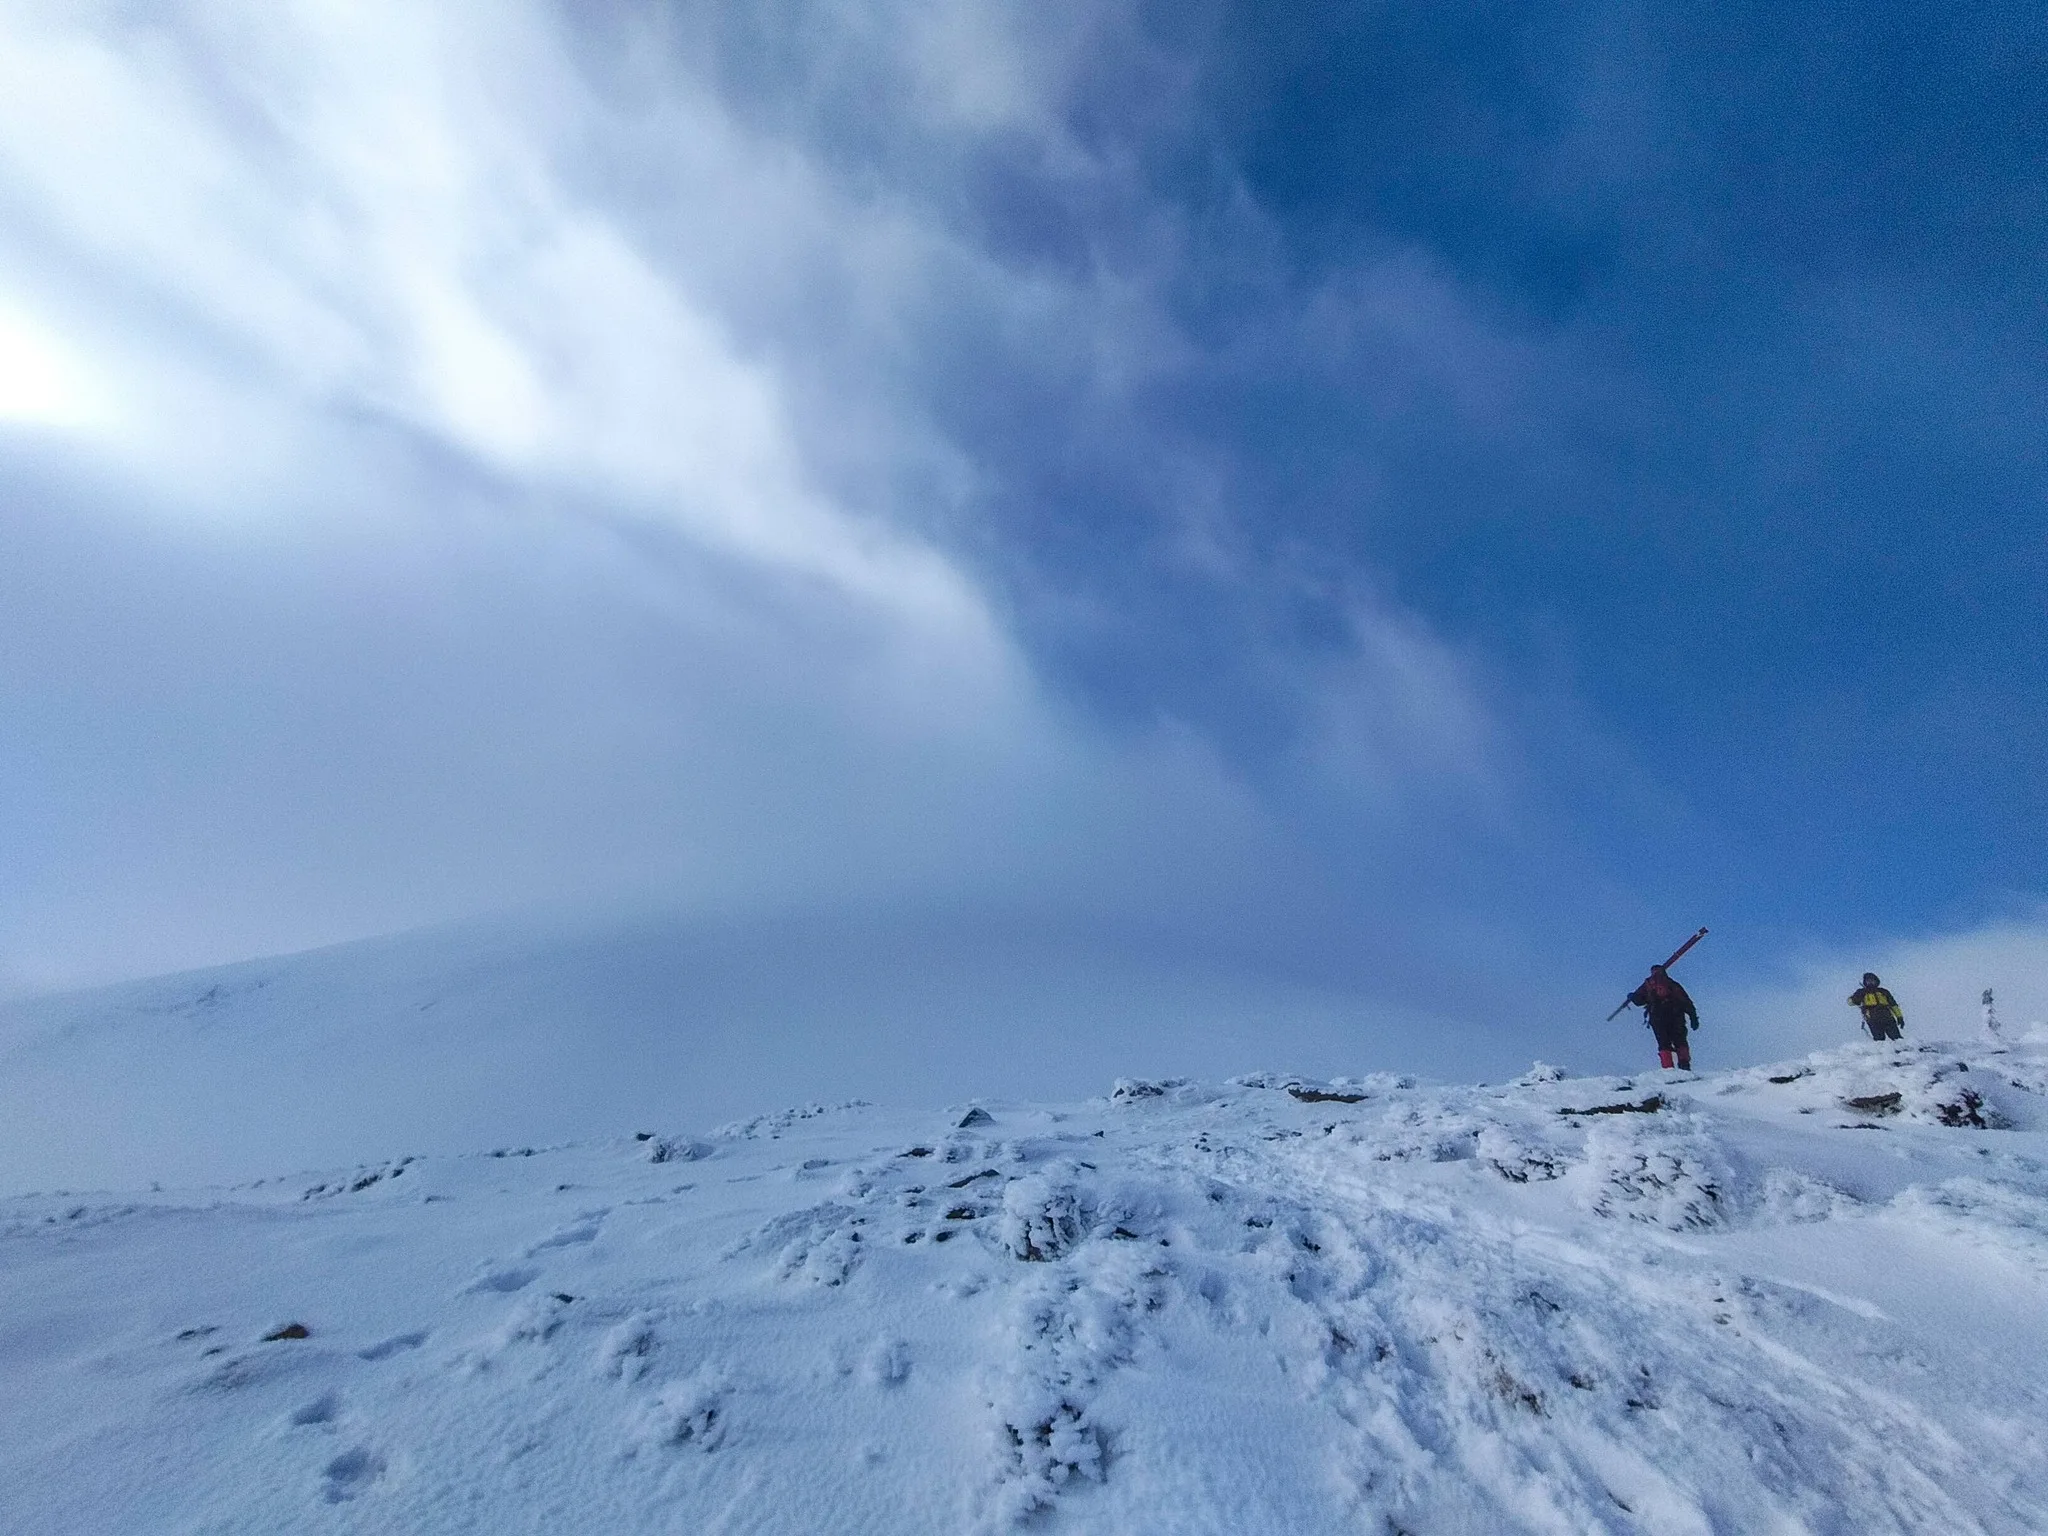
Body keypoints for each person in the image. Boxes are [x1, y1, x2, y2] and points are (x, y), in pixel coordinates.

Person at [1628, 963, 1700, 1070]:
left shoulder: (1648, 985)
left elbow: (1639, 1001)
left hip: (1657, 1018)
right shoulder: (1673, 984)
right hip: (1676, 1017)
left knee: (1663, 1043)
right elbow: (1686, 1002)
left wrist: (1632, 996)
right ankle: (1684, 1066)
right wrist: (1693, 1017)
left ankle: (1668, 1069)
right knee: (1680, 1041)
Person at [1849, 973, 1905, 1040]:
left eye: (1872, 980)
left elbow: (1894, 1005)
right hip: (1873, 1020)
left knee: (1897, 1038)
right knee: (1879, 1040)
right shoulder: (1862, 992)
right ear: (1865, 982)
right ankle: (1882, 1050)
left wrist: (1899, 1017)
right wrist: (1855, 999)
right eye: (1868, 981)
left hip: (1887, 1018)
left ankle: (1902, 1049)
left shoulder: (1884, 991)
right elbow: (1850, 1002)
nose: (1870, 982)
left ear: (1876, 981)